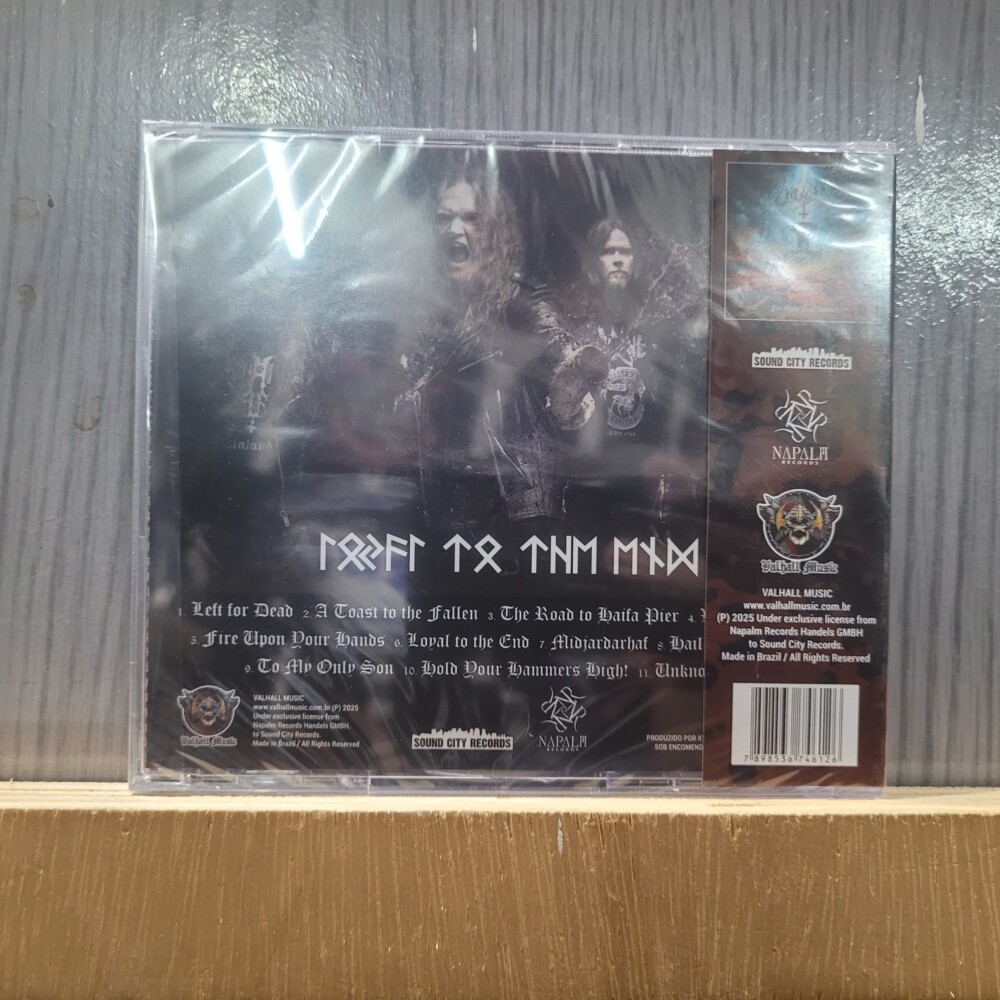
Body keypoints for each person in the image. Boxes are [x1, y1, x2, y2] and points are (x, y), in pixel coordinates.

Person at [398, 166, 566, 535]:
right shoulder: (428, 310)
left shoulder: (523, 303)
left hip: (514, 507)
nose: (454, 229)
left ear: (495, 232)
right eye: (444, 218)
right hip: (441, 501)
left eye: (471, 219)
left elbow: (566, 368)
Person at [551, 217, 706, 533]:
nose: (618, 259)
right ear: (594, 260)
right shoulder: (571, 323)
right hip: (586, 473)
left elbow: (678, 391)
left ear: (636, 259)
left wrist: (671, 448)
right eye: (609, 251)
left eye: (625, 251)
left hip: (640, 471)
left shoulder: (656, 325)